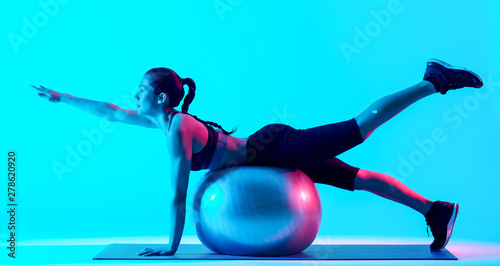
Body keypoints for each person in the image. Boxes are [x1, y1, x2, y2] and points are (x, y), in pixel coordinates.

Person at [30, 59, 483, 256]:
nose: (133, 96)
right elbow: (109, 113)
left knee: (358, 129)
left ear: (161, 95)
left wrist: (170, 247)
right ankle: (435, 209)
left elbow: (177, 196)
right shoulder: (161, 122)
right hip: (265, 166)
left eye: (141, 90)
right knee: (358, 178)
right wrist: (60, 97)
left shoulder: (178, 130)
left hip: (272, 150)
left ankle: (433, 81)